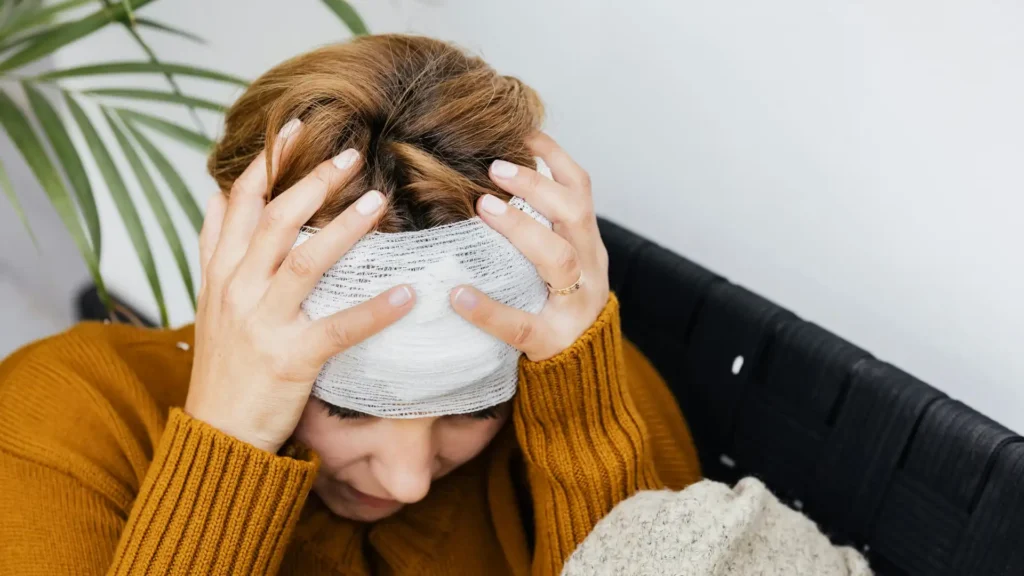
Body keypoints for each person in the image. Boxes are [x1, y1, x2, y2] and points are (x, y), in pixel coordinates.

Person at [0, 35, 701, 575]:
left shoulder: (575, 378)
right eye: (349, 405)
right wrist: (229, 443)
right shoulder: (65, 421)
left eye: (475, 406)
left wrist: (584, 417)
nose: (409, 480)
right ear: (229, 270)